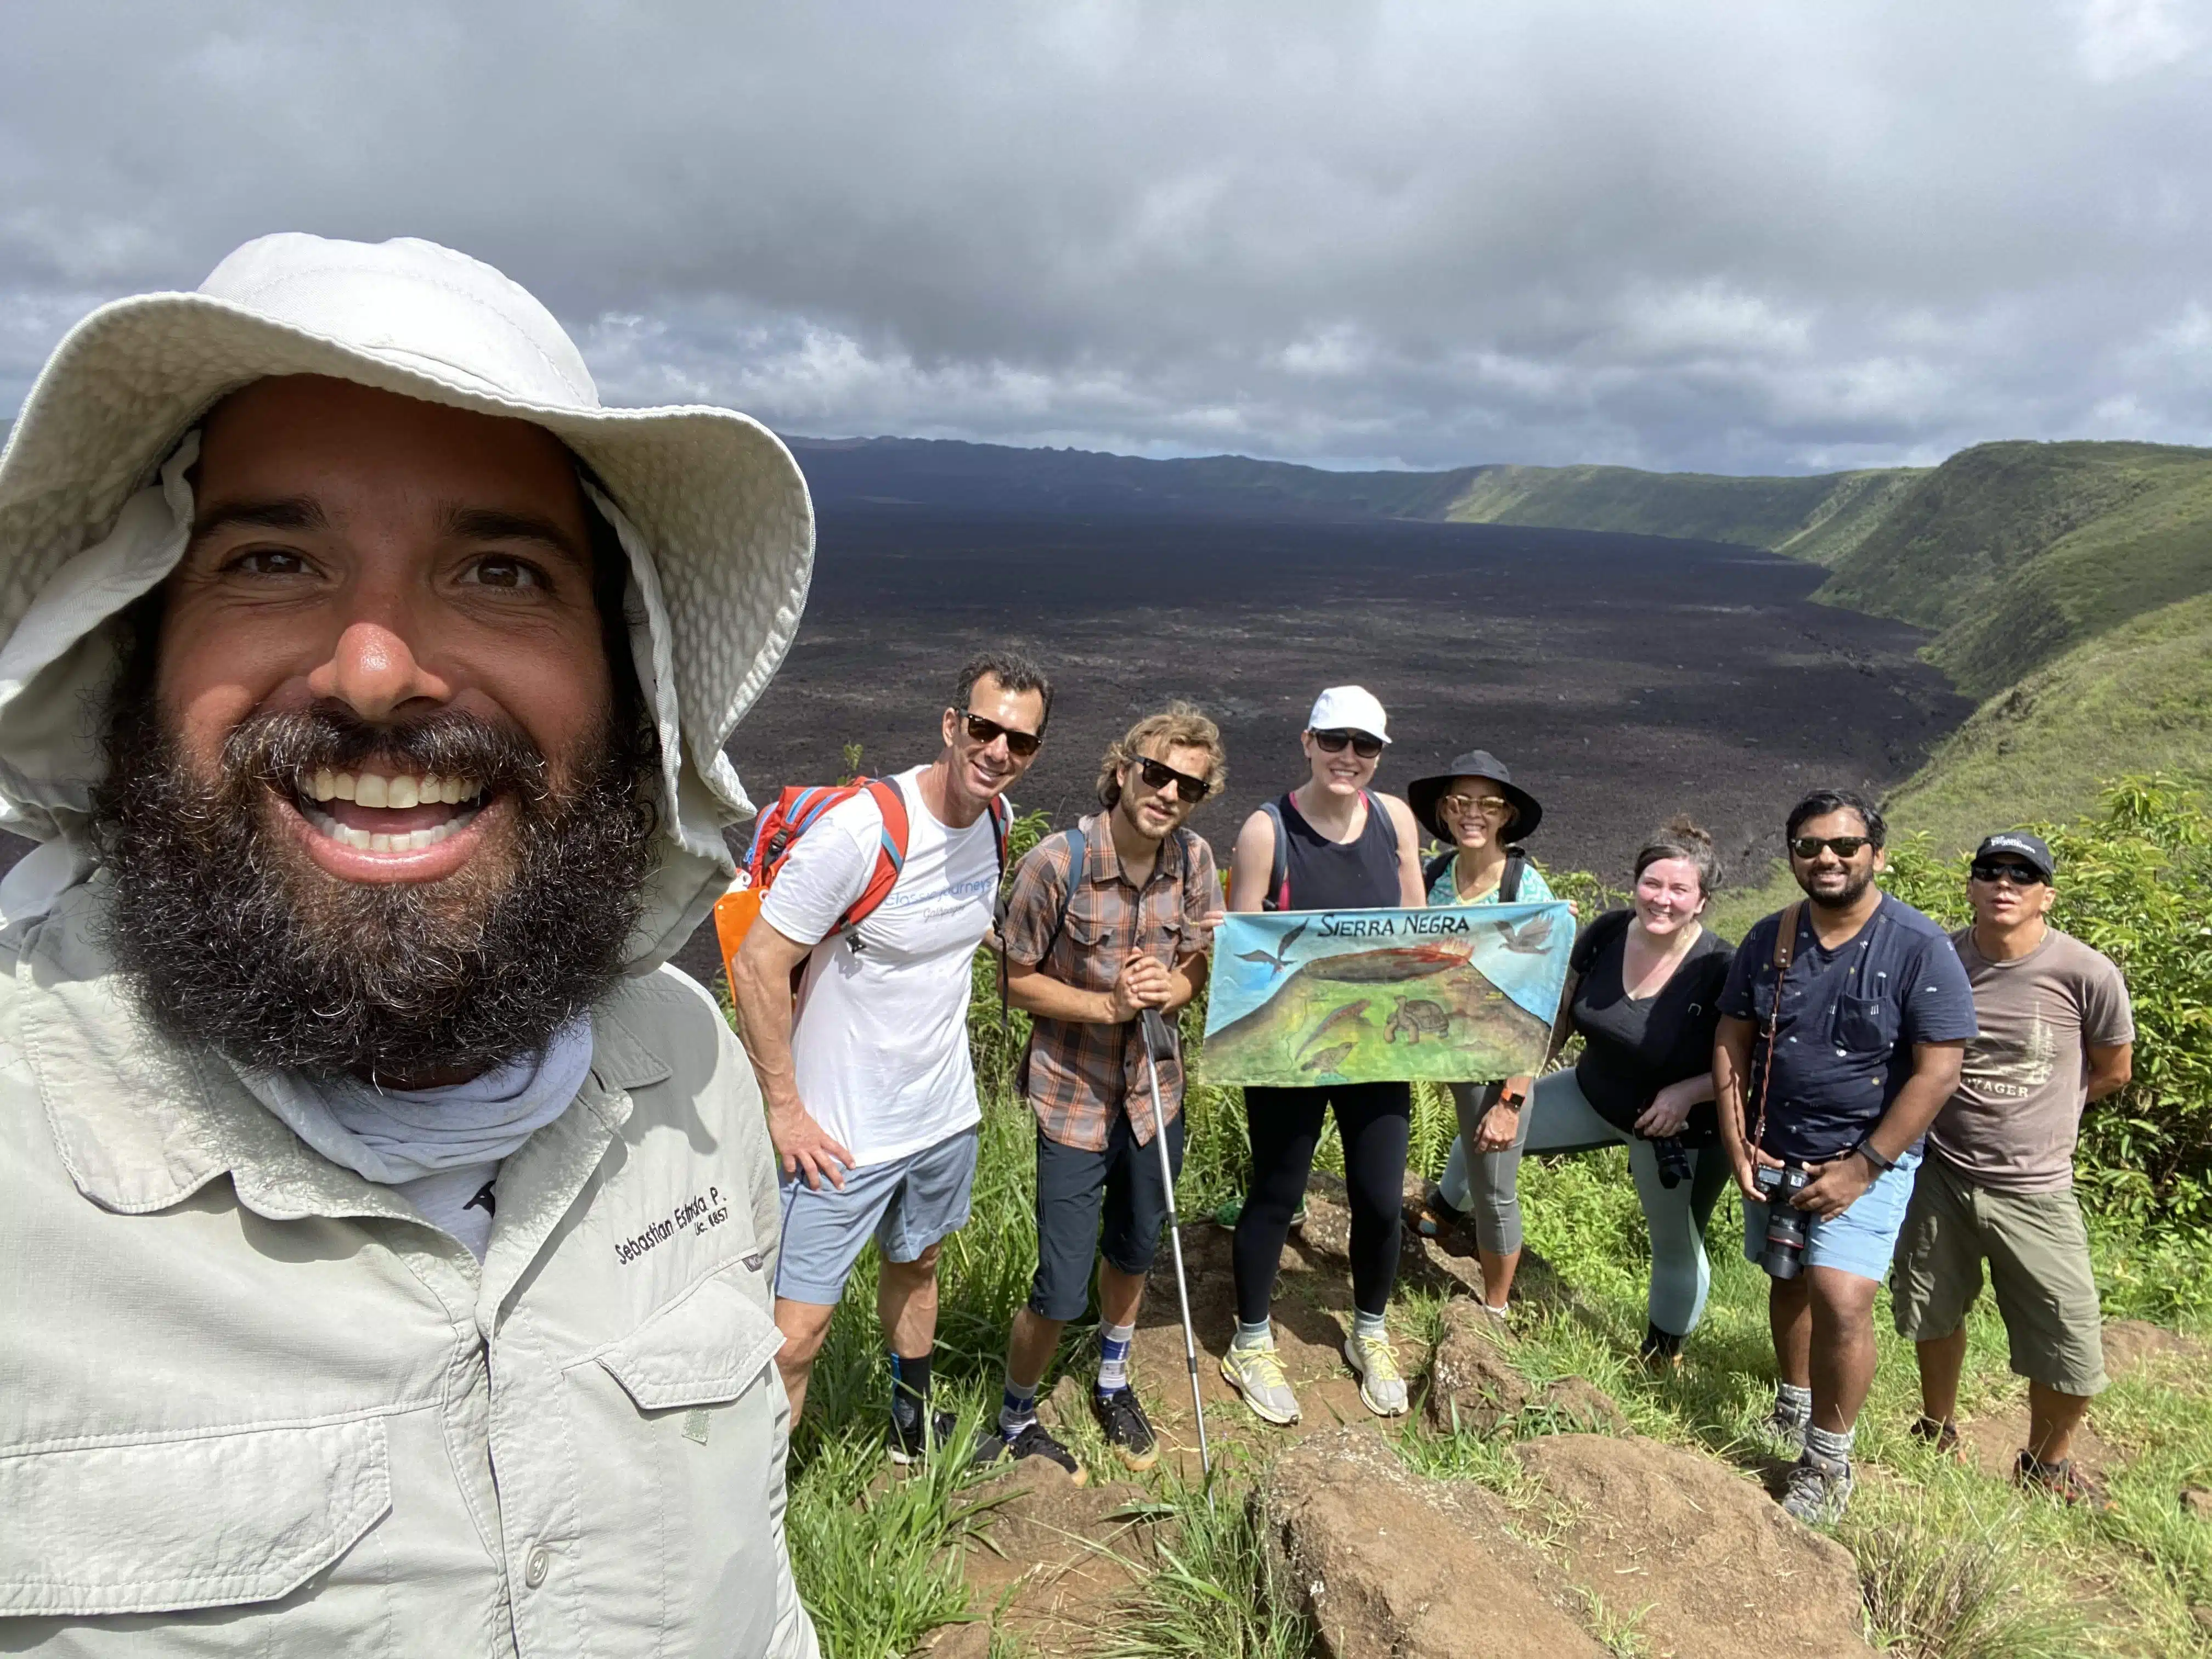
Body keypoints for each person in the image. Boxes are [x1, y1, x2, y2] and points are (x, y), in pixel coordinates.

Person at [0, 233, 817, 1652]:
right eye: (271, 558)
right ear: (135, 654)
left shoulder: (690, 1076)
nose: (375, 667)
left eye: (500, 572)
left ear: (629, 694)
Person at [731, 652, 1050, 1462]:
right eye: (984, 729)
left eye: (1020, 741)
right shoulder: (865, 831)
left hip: (940, 1116)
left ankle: (912, 1432)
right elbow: (757, 963)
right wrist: (784, 1111)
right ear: (952, 726)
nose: (998, 752)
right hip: (836, 1134)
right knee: (796, 1334)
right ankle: (755, 1516)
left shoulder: (996, 826)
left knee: (920, 1264)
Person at [1715, 789, 1978, 1526]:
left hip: (1868, 1159)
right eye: (1808, 847)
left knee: (1842, 1295)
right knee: (1788, 1277)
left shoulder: (1919, 947)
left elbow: (1939, 1070)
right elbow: (1733, 1040)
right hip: (1775, 1147)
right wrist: (1738, 1143)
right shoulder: (1771, 939)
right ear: (1792, 857)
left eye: (1843, 846)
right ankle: (1793, 1405)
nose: (1826, 858)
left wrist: (1865, 1166)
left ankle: (1827, 1462)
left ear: (1877, 855)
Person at [981, 704, 1227, 1479]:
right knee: (1058, 1285)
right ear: (1123, 770)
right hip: (1073, 1100)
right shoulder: (1056, 864)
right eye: (1156, 773)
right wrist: (1109, 1006)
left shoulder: (1193, 860)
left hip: (1157, 1096)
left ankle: (1112, 1381)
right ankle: (1016, 1413)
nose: (1167, 794)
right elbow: (1014, 984)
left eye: (1187, 786)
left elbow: (1198, 963)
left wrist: (1174, 987)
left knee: (1134, 1249)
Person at [1431, 817, 1735, 1360]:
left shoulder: (1720, 967)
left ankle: (1664, 1354)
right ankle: (1437, 1217)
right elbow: (1560, 1015)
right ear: (1635, 883)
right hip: (1593, 1093)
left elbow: (1748, 1062)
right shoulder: (1608, 932)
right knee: (1483, 1136)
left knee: (1674, 1244)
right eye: (1652, 883)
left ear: (1702, 901)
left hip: (1674, 1129)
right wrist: (1510, 1087)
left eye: (1679, 890)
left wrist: (1686, 1094)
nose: (1662, 899)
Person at [1891, 832, 2134, 1507]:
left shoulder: (2086, 973)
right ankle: (1937, 1428)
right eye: (1990, 872)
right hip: (1941, 1171)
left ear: (2046, 895)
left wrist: (2045, 1115)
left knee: (2070, 1338)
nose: (2005, 884)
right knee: (1932, 1310)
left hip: (2036, 1185)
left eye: (2023, 876)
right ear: (1969, 887)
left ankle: (2046, 1463)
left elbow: (2113, 1070)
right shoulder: (1935, 960)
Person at [1221, 686, 1426, 1424]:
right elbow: (1246, 952)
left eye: (1364, 746)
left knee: (1379, 1197)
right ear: (1306, 740)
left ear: (1379, 753)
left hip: (1375, 1041)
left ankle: (1369, 1331)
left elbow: (1415, 924)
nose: (1348, 758)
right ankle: (1249, 1340)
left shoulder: (1395, 818)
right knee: (1278, 1191)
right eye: (1334, 741)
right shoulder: (1266, 830)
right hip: (1292, 1044)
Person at [1402, 749, 1559, 1312]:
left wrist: (1512, 1099)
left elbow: (1540, 1003)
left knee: (1493, 1189)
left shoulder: (1526, 890)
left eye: (1488, 804)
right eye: (1461, 803)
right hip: (1427, 1039)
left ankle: (1494, 1308)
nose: (1473, 814)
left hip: (1493, 1058)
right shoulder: (1431, 879)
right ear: (1444, 812)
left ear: (1506, 815)